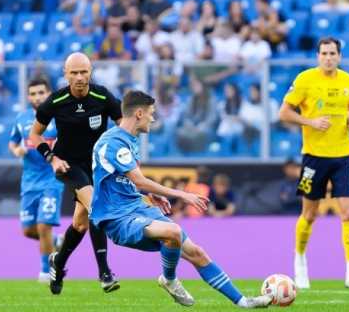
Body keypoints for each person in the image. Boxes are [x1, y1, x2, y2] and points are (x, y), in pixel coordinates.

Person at [90, 90, 271, 308]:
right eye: (151, 113)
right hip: (117, 217)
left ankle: (243, 302)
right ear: (138, 113)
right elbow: (138, 180)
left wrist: (150, 194)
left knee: (197, 252)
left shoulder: (130, 140)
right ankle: (169, 279)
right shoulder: (113, 143)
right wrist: (181, 194)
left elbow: (124, 180)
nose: (153, 118)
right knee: (172, 232)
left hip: (137, 208)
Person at [29, 52, 122, 295]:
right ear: (65, 74)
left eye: (84, 72)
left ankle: (57, 263)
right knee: (97, 207)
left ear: (91, 71)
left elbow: (124, 125)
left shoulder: (102, 96)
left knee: (80, 224)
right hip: (68, 166)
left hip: (96, 166)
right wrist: (52, 158)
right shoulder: (56, 101)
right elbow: (34, 135)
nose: (80, 77)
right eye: (74, 73)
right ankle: (104, 272)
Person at [278, 37, 349, 289]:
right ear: (317, 56)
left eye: (332, 53)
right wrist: (311, 122)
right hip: (313, 157)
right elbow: (284, 112)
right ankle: (300, 262)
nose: (328, 57)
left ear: (339, 56)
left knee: (348, 212)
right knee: (309, 214)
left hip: (343, 156)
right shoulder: (305, 79)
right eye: (324, 53)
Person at [9, 78, 63, 283]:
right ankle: (57, 241)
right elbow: (12, 142)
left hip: (51, 180)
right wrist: (17, 150)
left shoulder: (59, 119)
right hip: (29, 181)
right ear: (28, 97)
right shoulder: (21, 119)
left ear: (49, 94)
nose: (37, 97)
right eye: (33, 93)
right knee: (28, 230)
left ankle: (45, 272)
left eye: (41, 92)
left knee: (43, 226)